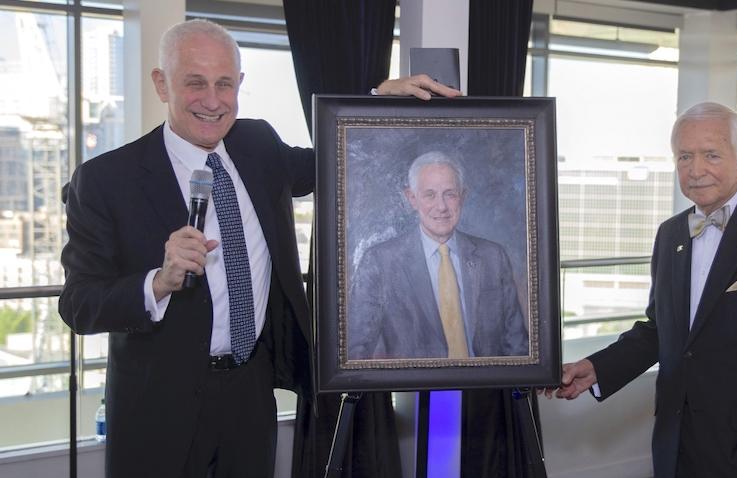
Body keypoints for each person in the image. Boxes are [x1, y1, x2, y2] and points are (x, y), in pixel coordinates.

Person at [58, 19, 459, 478]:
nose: (212, 101)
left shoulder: (259, 145)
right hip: (157, 410)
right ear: (161, 84)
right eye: (195, 83)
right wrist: (158, 282)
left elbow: (335, 154)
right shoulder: (106, 180)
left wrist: (376, 102)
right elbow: (77, 304)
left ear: (239, 85)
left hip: (249, 395)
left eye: (224, 84)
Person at [548, 102, 737, 478]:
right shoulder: (670, 234)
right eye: (684, 156)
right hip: (676, 447)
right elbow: (662, 330)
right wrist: (597, 368)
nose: (696, 170)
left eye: (711, 155)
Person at [348, 151, 528, 360]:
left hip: (484, 387)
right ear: (412, 198)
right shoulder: (380, 262)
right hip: (412, 389)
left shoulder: (493, 257)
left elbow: (517, 344)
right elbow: (356, 350)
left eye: (450, 194)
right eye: (430, 194)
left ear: (463, 196)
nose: (441, 207)